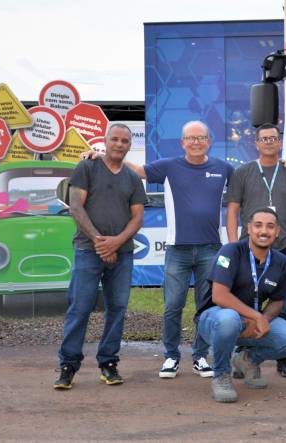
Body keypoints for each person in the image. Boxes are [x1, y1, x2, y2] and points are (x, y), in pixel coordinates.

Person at [85, 120, 233, 379]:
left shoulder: (223, 168)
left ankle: (200, 356)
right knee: (172, 305)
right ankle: (171, 357)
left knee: (206, 306)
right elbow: (138, 170)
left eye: (201, 138)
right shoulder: (169, 167)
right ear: (182, 143)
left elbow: (251, 177)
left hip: (211, 249)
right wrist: (100, 155)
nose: (196, 142)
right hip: (178, 249)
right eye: (191, 138)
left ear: (209, 142)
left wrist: (282, 163)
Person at [54, 123, 147, 390]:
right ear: (105, 142)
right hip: (88, 250)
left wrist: (116, 242)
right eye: (115, 139)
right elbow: (75, 206)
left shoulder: (131, 178)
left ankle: (108, 362)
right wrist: (99, 241)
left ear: (130, 145)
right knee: (79, 308)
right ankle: (68, 365)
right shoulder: (87, 167)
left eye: (125, 141)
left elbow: (138, 216)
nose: (119, 144)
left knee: (117, 309)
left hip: (123, 253)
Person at [194, 208, 286, 403]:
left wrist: (264, 319)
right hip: (215, 319)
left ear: (277, 231)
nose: (264, 231)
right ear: (249, 229)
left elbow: (278, 300)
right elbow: (219, 296)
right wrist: (257, 316)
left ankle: (247, 360)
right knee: (229, 318)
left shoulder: (282, 262)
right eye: (258, 225)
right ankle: (221, 375)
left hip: (249, 321)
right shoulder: (231, 251)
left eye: (270, 226)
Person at [225, 123, 286, 378]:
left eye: (273, 138)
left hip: (281, 250)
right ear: (257, 143)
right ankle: (242, 354)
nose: (269, 142)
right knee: (243, 302)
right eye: (264, 139)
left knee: (281, 304)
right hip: (247, 250)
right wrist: (232, 245)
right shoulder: (243, 172)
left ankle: (284, 360)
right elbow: (232, 210)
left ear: (280, 142)